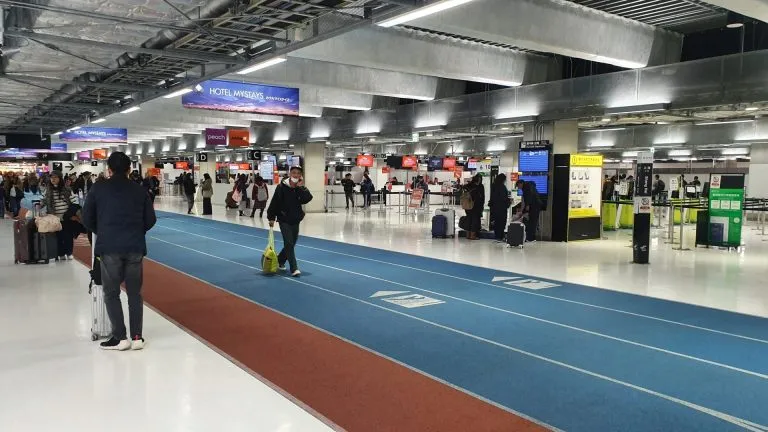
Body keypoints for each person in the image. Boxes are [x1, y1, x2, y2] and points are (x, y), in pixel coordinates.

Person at [82, 152, 157, 351]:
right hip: (134, 248)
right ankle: (137, 337)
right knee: (134, 293)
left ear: (109, 169)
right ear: (129, 169)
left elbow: (87, 218)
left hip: (109, 248)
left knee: (111, 293)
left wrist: (103, 231)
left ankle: (120, 337)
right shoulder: (140, 190)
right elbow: (150, 220)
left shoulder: (98, 189)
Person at [267, 165, 313, 277]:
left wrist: (301, 187)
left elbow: (307, 199)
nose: (296, 175)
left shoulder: (299, 188)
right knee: (288, 242)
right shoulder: (281, 187)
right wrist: (271, 217)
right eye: (294, 173)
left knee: (291, 243)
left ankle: (280, 260)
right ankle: (294, 268)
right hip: (284, 219)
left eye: (298, 173)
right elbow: (275, 203)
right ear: (290, 174)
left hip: (295, 219)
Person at [44, 171, 76, 260]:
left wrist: (73, 214)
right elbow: (44, 200)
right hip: (55, 218)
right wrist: (39, 204)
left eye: (55, 177)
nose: (53, 179)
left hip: (66, 217)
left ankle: (69, 252)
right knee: (58, 237)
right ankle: (60, 253)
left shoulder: (67, 189)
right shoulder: (48, 190)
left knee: (68, 236)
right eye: (51, 177)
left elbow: (74, 201)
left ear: (60, 178)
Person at [516, 179, 543, 243]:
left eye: (518, 186)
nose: (519, 188)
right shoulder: (528, 186)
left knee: (532, 222)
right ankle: (531, 238)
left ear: (521, 183)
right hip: (534, 206)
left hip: (534, 206)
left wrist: (527, 205)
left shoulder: (527, 187)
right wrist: (523, 211)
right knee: (532, 222)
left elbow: (529, 196)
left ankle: (531, 238)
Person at [489, 174, 511, 241]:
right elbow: (503, 198)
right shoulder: (502, 187)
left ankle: (497, 236)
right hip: (502, 207)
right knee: (501, 222)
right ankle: (500, 236)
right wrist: (508, 201)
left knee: (497, 222)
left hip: (495, 207)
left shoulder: (494, 186)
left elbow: (493, 197)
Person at [464, 175, 485, 240]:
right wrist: (482, 206)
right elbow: (482, 197)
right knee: (475, 220)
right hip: (476, 206)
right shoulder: (480, 187)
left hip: (468, 205)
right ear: (479, 180)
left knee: (469, 219)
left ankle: (468, 235)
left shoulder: (468, 185)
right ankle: (473, 235)